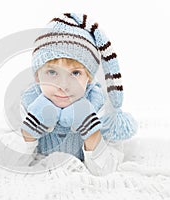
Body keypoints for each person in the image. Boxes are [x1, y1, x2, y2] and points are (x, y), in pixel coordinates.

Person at [19, 13, 137, 176]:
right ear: (37, 76)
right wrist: (30, 129)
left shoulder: (99, 105)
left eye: (75, 73)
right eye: (52, 72)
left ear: (89, 77)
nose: (63, 86)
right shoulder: (29, 102)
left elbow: (106, 169)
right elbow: (11, 161)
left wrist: (91, 130)